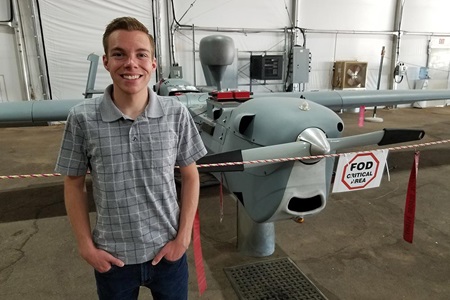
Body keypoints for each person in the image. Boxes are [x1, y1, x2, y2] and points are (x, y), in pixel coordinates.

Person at [55, 16, 207, 299]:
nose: (130, 63)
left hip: (168, 255)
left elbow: (190, 175)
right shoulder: (82, 118)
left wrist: (183, 237)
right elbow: (73, 184)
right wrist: (86, 247)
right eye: (119, 54)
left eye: (141, 54)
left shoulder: (175, 114)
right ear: (106, 62)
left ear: (153, 63)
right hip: (113, 260)